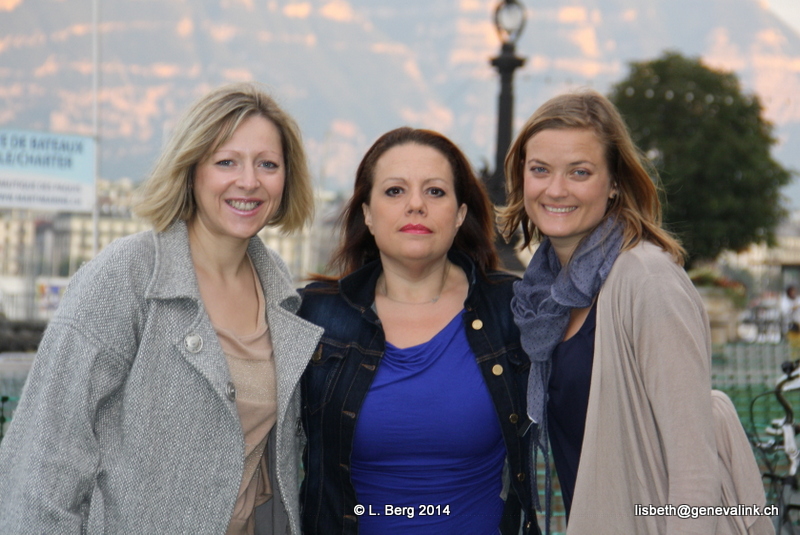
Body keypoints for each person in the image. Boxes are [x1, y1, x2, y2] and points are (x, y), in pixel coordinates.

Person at [0, 82, 323, 534]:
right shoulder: (127, 275)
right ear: (191, 170)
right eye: (226, 162)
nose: (249, 181)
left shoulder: (279, 290)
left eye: (267, 164)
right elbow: (44, 454)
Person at [500, 90, 771, 534]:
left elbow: (694, 469)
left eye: (580, 172)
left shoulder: (647, 279)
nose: (556, 189)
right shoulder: (545, 296)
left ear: (614, 183)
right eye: (540, 169)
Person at [298, 127, 538, 534]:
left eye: (435, 191)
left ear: (459, 214)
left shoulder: (512, 310)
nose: (415, 205)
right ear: (367, 213)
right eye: (394, 191)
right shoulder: (314, 316)